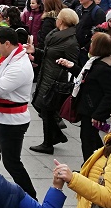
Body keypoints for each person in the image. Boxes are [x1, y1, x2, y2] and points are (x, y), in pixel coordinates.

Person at [57, 31, 111, 161]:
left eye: (93, 43)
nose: (90, 45)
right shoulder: (96, 62)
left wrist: (98, 115)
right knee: (91, 139)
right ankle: (97, 164)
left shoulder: (105, 68)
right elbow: (88, 78)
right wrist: (72, 67)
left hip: (93, 111)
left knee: (88, 141)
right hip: (89, 108)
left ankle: (89, 169)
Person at [0, 27, 36, 200]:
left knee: (11, 162)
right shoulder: (9, 57)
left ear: (7, 43)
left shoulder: (19, 66)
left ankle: (31, 198)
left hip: (12, 121)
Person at [28, 8, 79, 154]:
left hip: (56, 80)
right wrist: (35, 52)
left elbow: (72, 64)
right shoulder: (56, 35)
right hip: (46, 76)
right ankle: (54, 136)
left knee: (46, 110)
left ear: (61, 21)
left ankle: (48, 143)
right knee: (43, 109)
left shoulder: (70, 42)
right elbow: (49, 56)